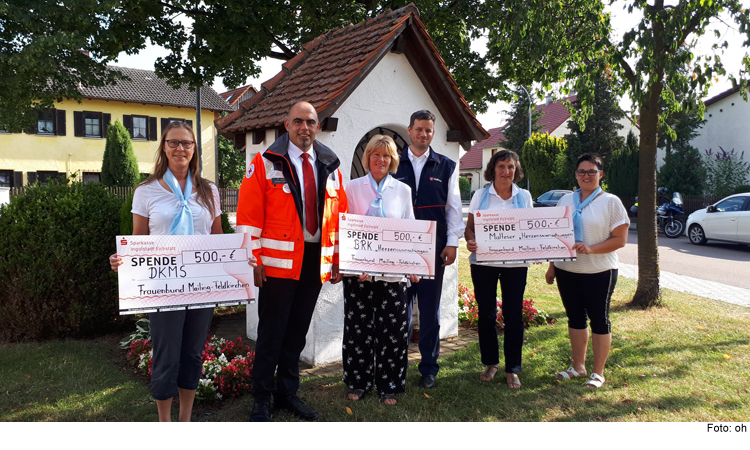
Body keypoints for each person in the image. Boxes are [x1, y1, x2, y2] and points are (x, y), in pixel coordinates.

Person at [109, 121, 238, 421]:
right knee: (166, 355)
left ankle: (186, 419)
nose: (181, 148)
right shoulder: (146, 190)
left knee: (193, 353)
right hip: (164, 286)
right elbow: (138, 239)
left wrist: (240, 259)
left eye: (187, 143)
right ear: (164, 147)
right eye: (174, 143)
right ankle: (165, 421)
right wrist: (122, 259)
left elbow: (217, 236)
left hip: (202, 286)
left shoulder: (210, 191)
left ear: (195, 149)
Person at [237, 101, 347, 421]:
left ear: (317, 126)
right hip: (275, 266)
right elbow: (248, 215)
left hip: (314, 263)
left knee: (297, 333)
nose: (304, 128)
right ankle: (261, 397)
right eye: (298, 121)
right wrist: (252, 259)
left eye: (310, 122)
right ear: (287, 125)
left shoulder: (330, 164)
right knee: (271, 334)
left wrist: (336, 257)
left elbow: (338, 216)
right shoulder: (266, 162)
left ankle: (287, 393)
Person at [342, 135, 419, 406]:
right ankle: (358, 381)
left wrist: (413, 265)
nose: (381, 160)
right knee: (358, 329)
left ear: (393, 160)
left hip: (393, 276)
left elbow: (409, 229)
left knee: (394, 332)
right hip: (359, 276)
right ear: (367, 158)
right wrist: (355, 265)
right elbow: (347, 229)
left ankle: (390, 384)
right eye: (376, 154)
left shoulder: (403, 190)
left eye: (386, 156)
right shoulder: (351, 188)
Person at [545, 153, 629, 389]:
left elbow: (620, 240)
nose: (586, 176)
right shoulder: (565, 201)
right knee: (575, 318)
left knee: (599, 320)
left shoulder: (611, 202)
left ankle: (598, 372)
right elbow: (556, 236)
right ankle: (579, 367)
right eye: (581, 171)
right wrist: (552, 265)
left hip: (599, 270)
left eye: (592, 171)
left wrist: (591, 249)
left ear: (600, 174)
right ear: (576, 175)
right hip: (566, 270)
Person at [394, 110, 465, 389]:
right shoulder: (393, 162)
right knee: (399, 310)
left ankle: (428, 368)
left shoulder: (446, 165)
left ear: (433, 134)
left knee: (429, 311)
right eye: (419, 129)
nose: (424, 134)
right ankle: (396, 366)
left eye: (429, 130)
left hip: (433, 250)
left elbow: (454, 207)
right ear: (410, 130)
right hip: (398, 248)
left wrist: (451, 243)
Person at [464, 150, 533, 389]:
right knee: (487, 314)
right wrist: (471, 240)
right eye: (501, 166)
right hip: (484, 263)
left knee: (513, 315)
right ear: (493, 169)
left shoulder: (524, 197)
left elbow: (530, 229)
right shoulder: (480, 195)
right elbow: (470, 229)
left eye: (511, 167)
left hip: (516, 265)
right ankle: (491, 363)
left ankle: (513, 368)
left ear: (517, 170)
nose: (506, 171)